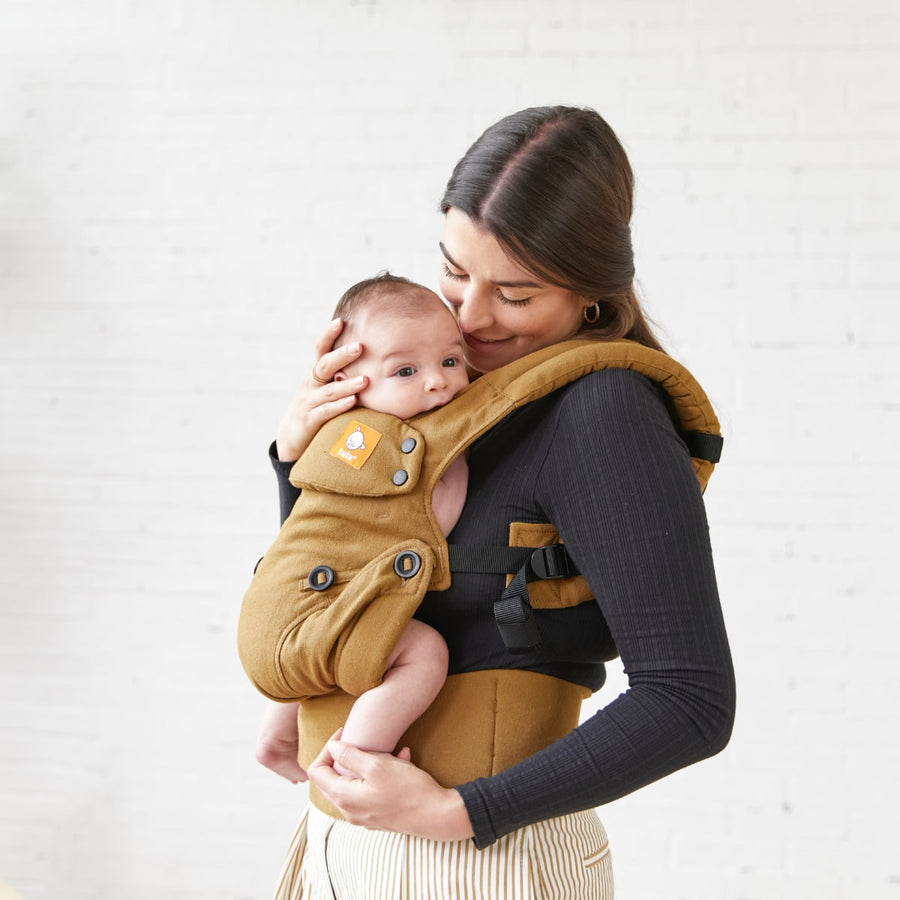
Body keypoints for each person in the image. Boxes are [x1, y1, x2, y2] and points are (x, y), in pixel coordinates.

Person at [251, 105, 735, 899]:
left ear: (590, 295)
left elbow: (691, 699)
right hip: (342, 845)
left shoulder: (603, 412)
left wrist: (464, 812)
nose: (470, 318)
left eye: (513, 292)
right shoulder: (433, 395)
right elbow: (342, 576)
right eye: (453, 271)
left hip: (481, 865)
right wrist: (302, 458)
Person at [253, 273, 470, 781]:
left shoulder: (327, 434)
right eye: (406, 370)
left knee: (310, 638)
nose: (437, 381)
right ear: (350, 380)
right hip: (316, 619)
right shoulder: (417, 443)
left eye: (451, 361)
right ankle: (355, 759)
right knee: (424, 653)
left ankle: (276, 734)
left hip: (269, 611)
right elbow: (435, 522)